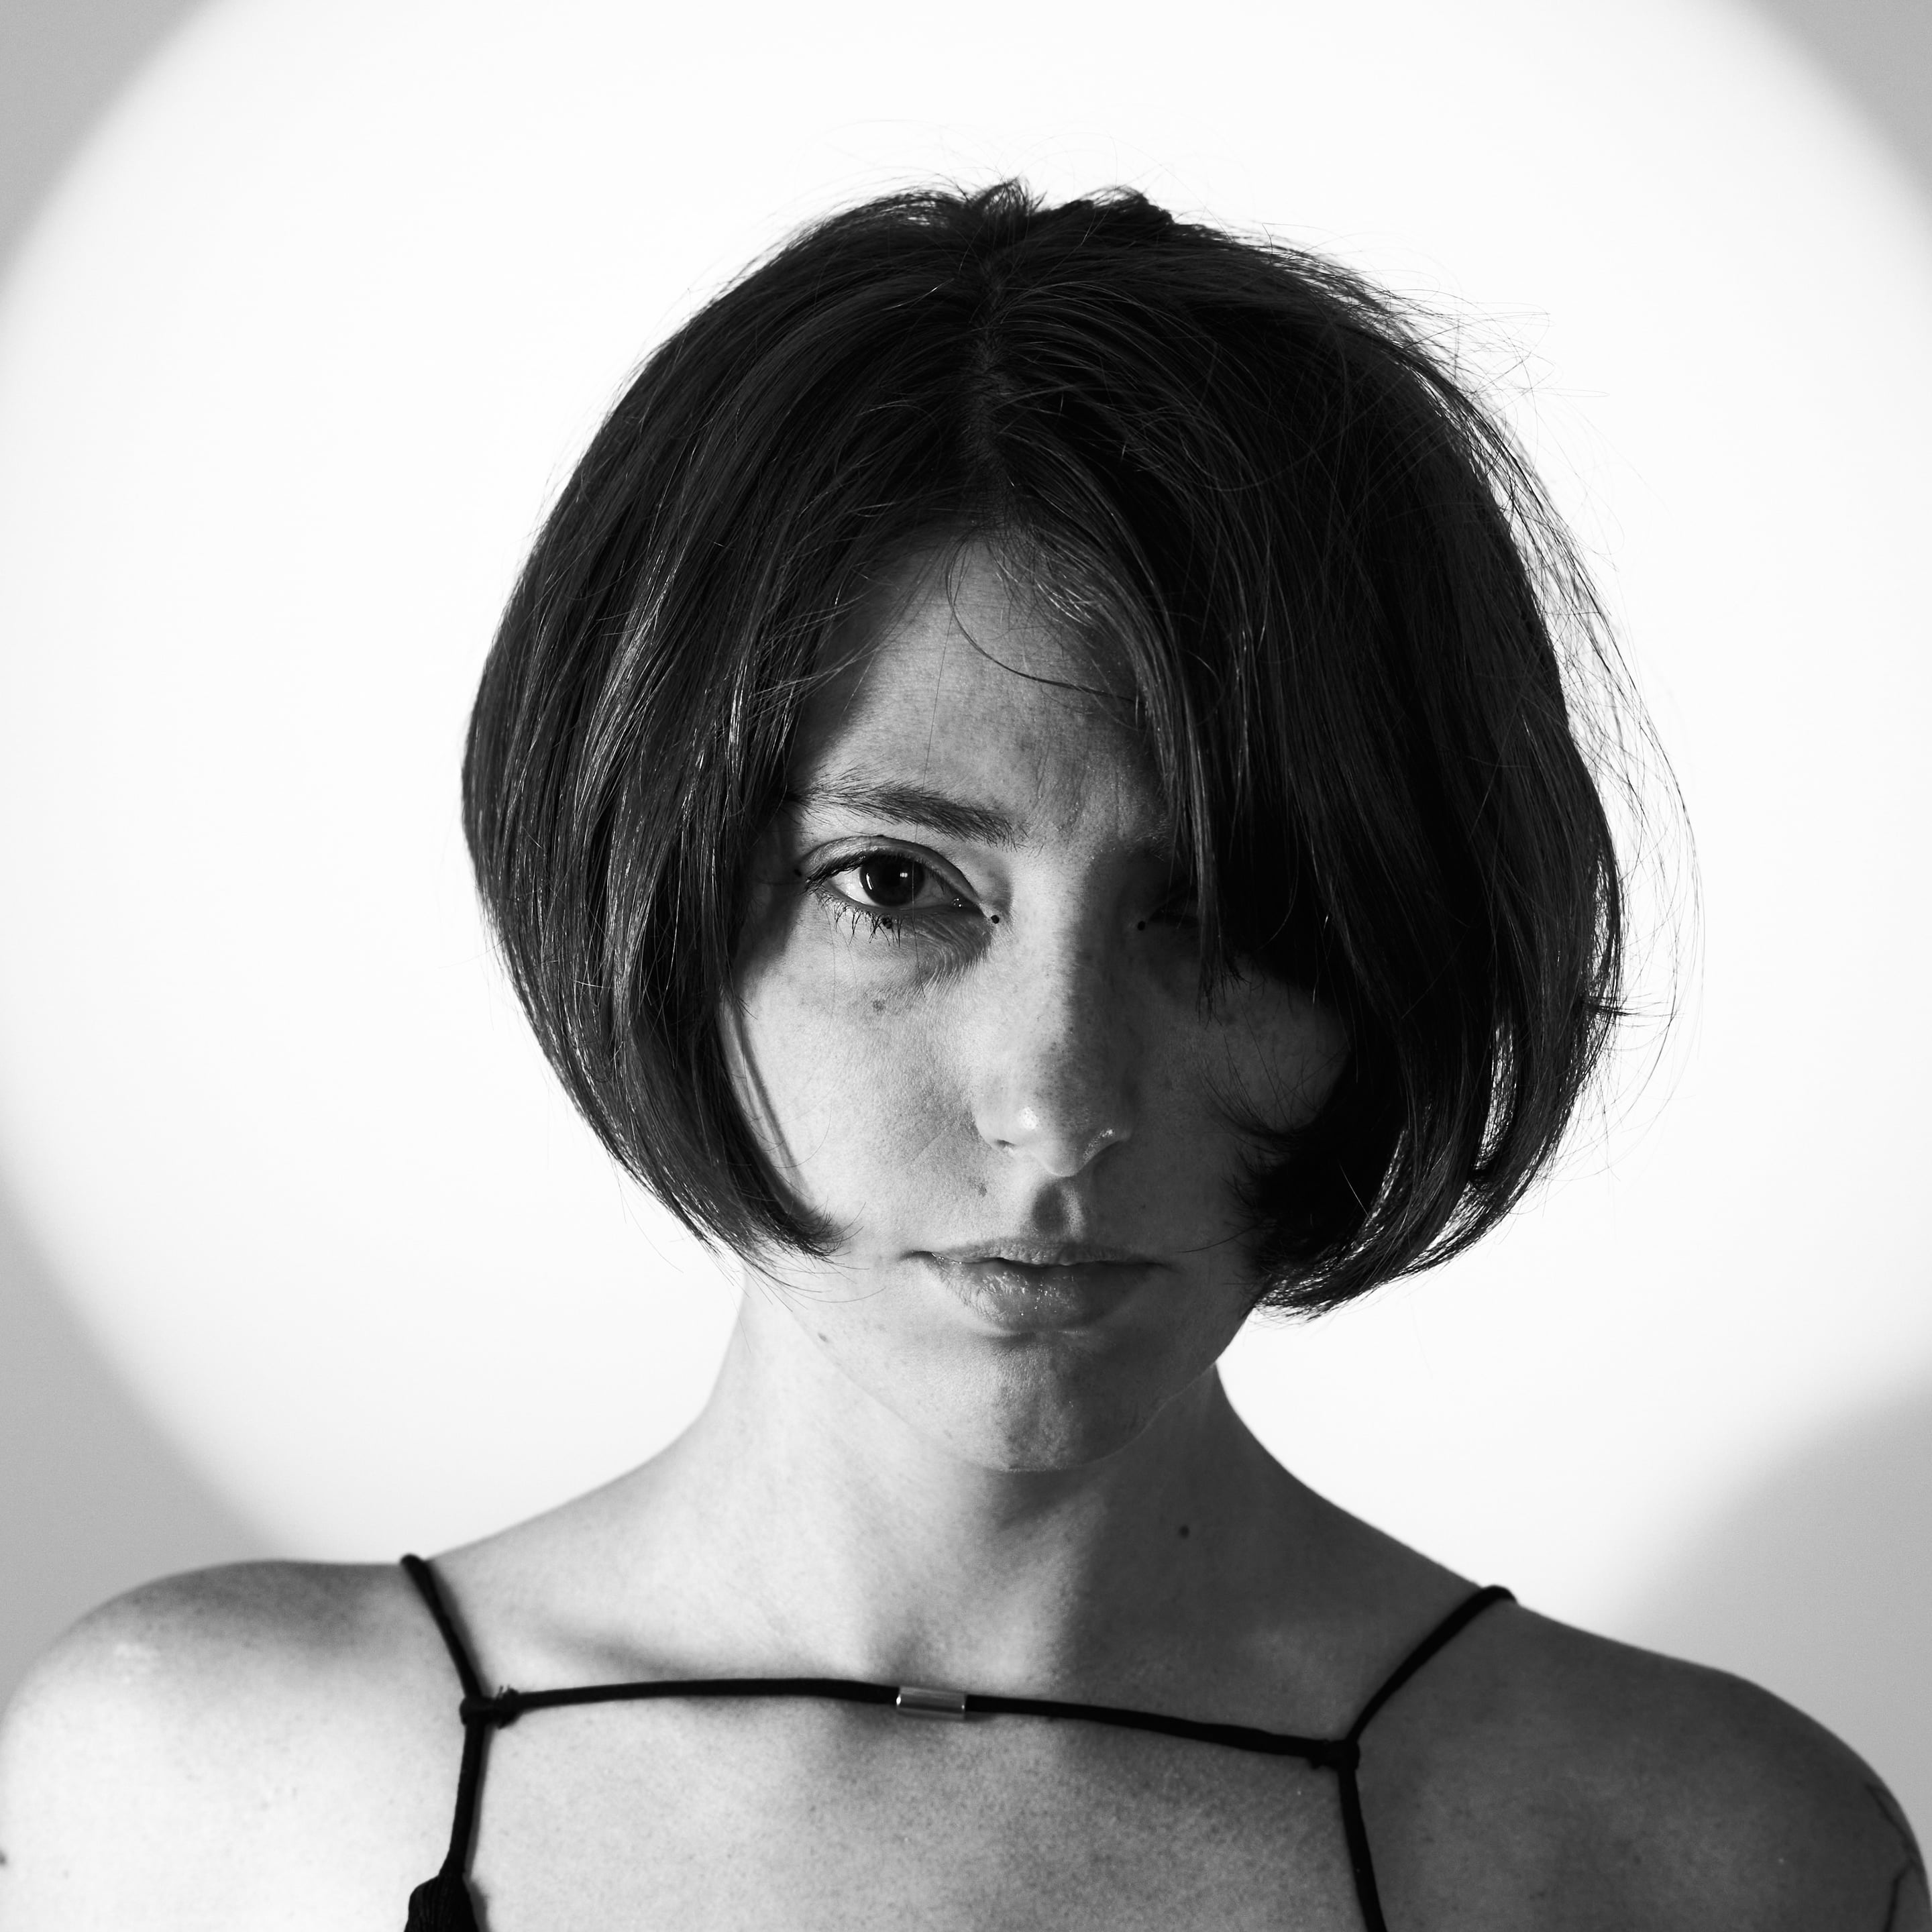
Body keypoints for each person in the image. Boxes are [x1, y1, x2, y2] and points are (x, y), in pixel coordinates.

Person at [0, 180, 1922, 1932]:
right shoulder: (194, 1791)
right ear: (642, 879)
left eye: (1230, 912)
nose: (1059, 1107)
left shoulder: (1706, 1861)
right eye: (895, 886)